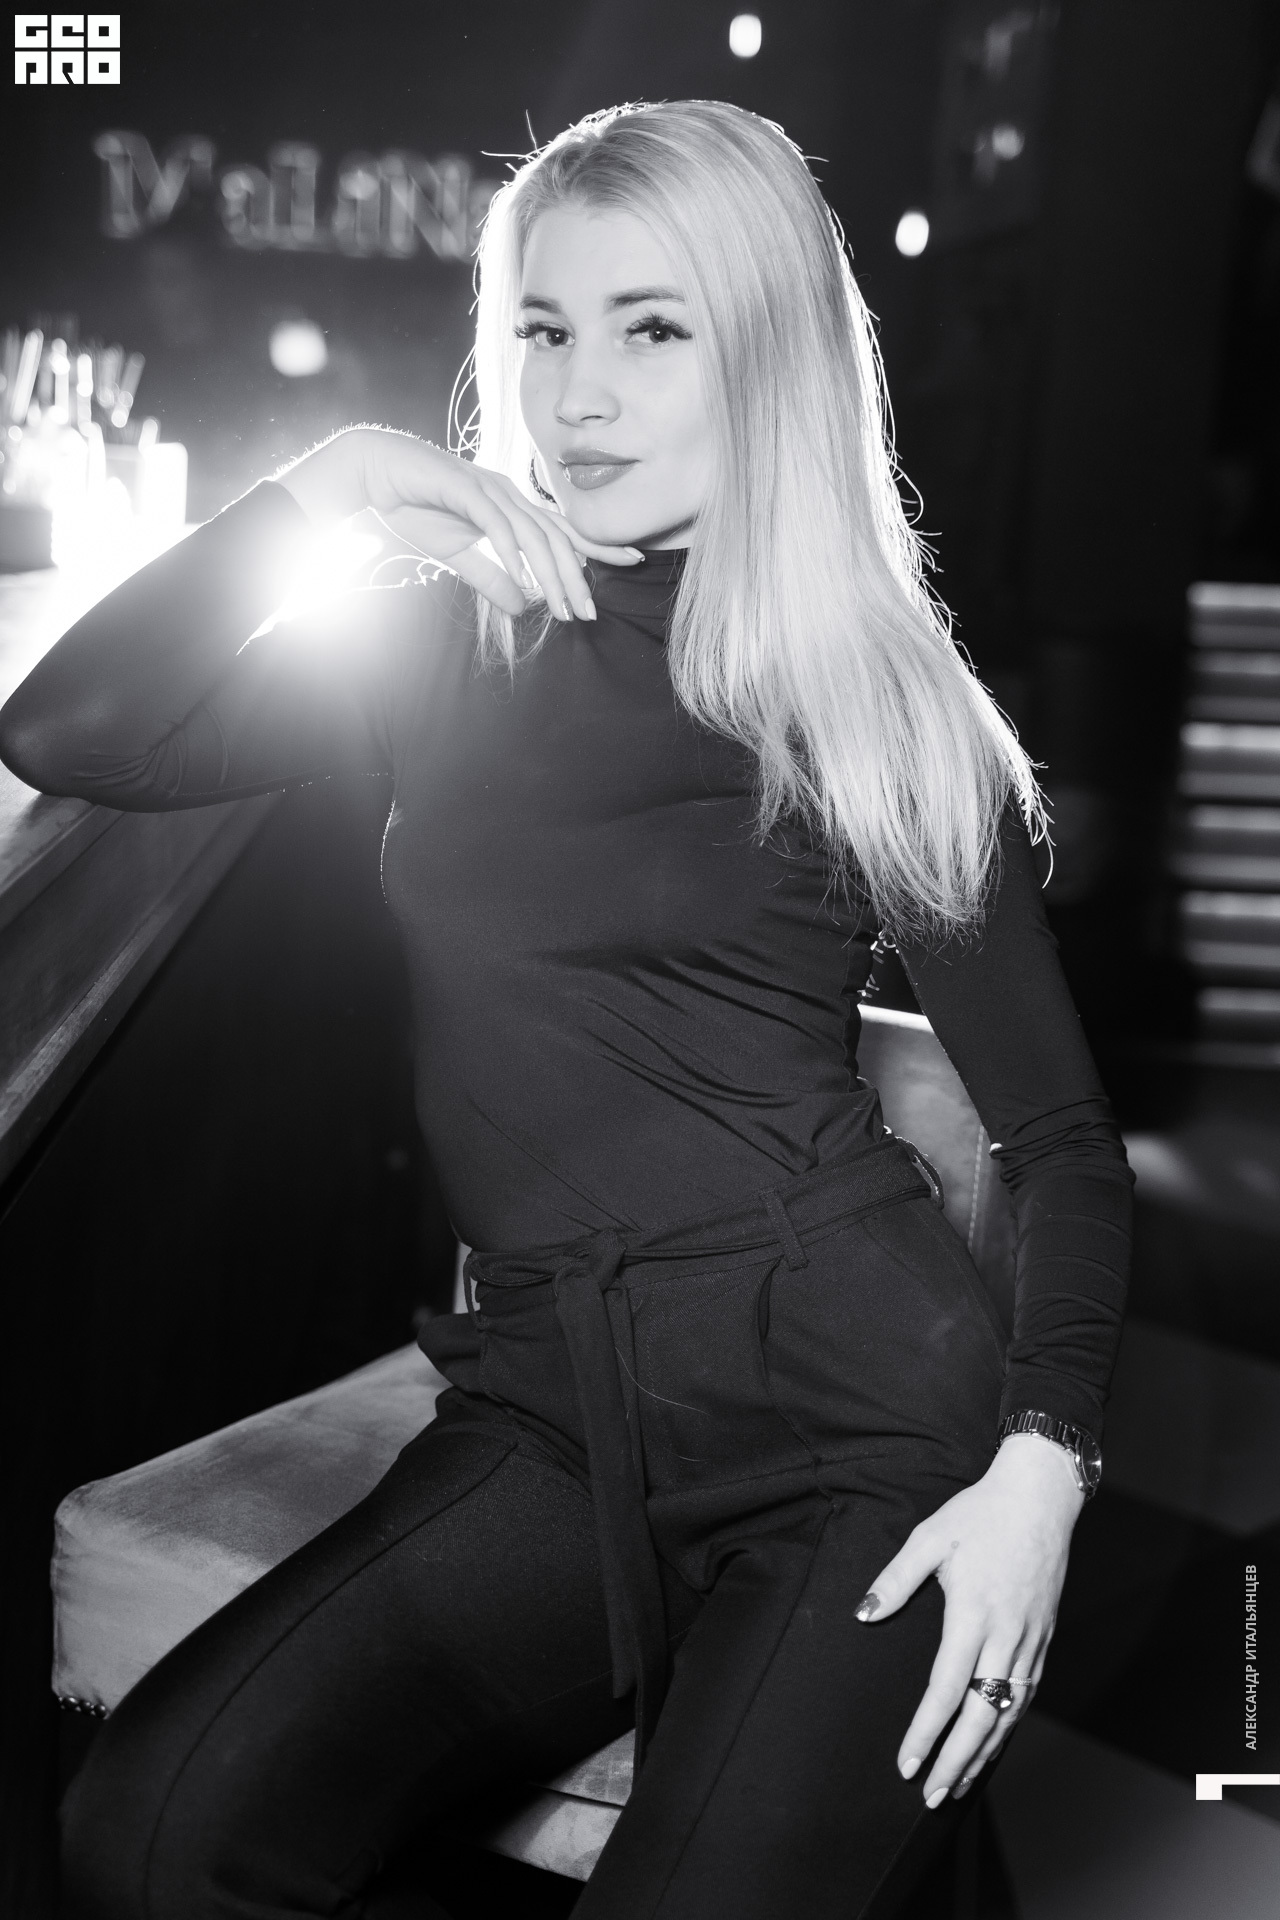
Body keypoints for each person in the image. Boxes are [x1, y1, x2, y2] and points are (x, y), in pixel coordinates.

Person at [1, 101, 1132, 1920]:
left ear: (763, 359)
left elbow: (1065, 1145)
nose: (578, 394)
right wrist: (330, 485)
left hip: (856, 1431)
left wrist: (1041, 1471)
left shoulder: (870, 698)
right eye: (543, 328)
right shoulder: (452, 635)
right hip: (549, 1410)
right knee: (149, 1836)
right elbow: (70, 732)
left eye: (651, 328)